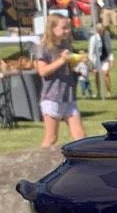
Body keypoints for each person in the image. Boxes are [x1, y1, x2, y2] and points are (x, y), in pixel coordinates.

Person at [33, 13, 84, 148]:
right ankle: (39, 164)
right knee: (51, 138)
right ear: (52, 28)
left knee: (80, 137)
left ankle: (83, 166)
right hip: (52, 97)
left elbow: (68, 67)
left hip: (68, 95)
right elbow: (43, 71)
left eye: (68, 28)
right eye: (64, 28)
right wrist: (62, 60)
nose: (68, 31)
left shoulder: (66, 45)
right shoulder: (43, 47)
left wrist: (77, 62)